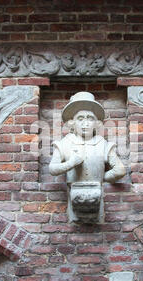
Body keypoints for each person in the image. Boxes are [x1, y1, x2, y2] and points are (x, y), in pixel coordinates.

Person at [49, 91, 126, 222]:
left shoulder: (103, 143)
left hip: (97, 191)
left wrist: (100, 177)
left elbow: (120, 170)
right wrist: (71, 163)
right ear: (72, 123)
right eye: (80, 118)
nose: (85, 123)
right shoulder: (64, 143)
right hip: (74, 190)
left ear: (97, 123)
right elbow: (52, 169)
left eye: (90, 118)